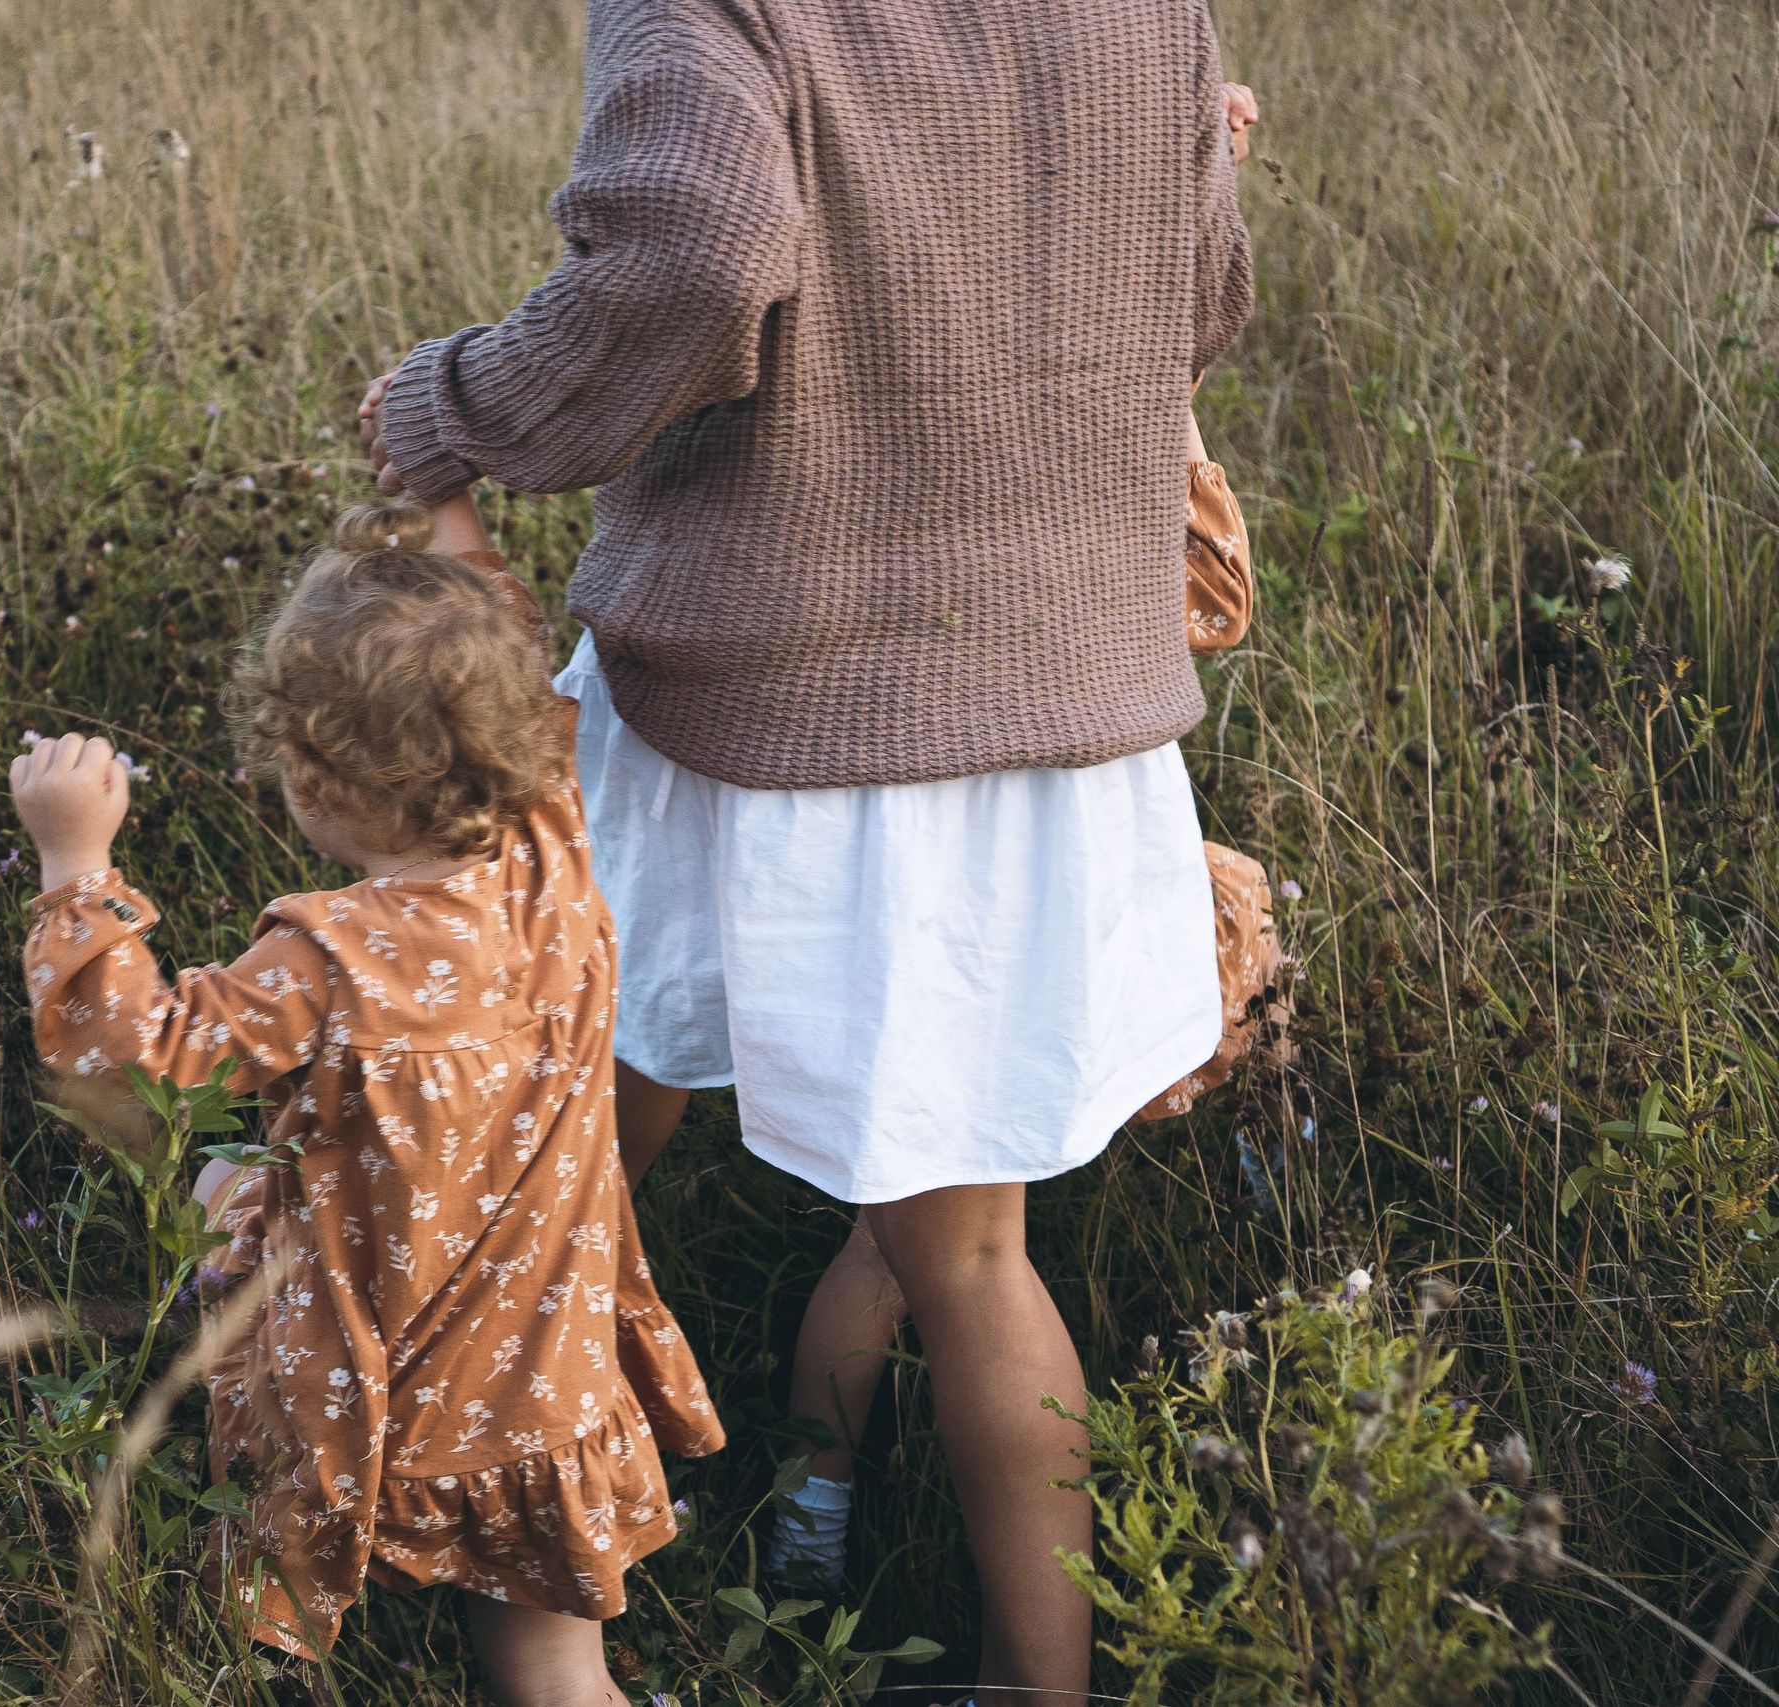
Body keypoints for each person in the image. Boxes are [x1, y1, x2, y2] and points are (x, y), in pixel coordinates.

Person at [358, 1, 1259, 1698]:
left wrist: (456, 400)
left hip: (776, 710)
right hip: (1058, 703)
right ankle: (1031, 1685)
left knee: (569, 1153)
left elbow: (698, 251)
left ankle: (537, 1582)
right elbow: (1198, 300)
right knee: (975, 1260)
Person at [8, 495, 723, 1706]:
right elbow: (506, 651)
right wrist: (446, 517)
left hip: (375, 1374)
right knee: (552, 1669)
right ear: (513, 735)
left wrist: (74, 863)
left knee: (220, 1195)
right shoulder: (555, 847)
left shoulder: (327, 960)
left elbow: (129, 1060)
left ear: (319, 778)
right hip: (543, 1362)